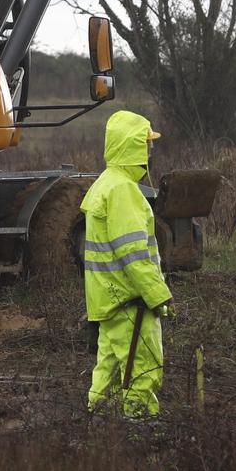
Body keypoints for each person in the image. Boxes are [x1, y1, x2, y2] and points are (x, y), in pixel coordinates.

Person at [82, 109, 173, 418]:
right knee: (144, 369)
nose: (150, 150)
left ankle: (96, 424)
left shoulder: (105, 184)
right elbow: (134, 255)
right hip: (130, 301)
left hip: (108, 302)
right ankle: (139, 433)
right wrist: (158, 295)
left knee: (107, 370)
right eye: (146, 143)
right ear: (132, 146)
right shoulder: (122, 191)